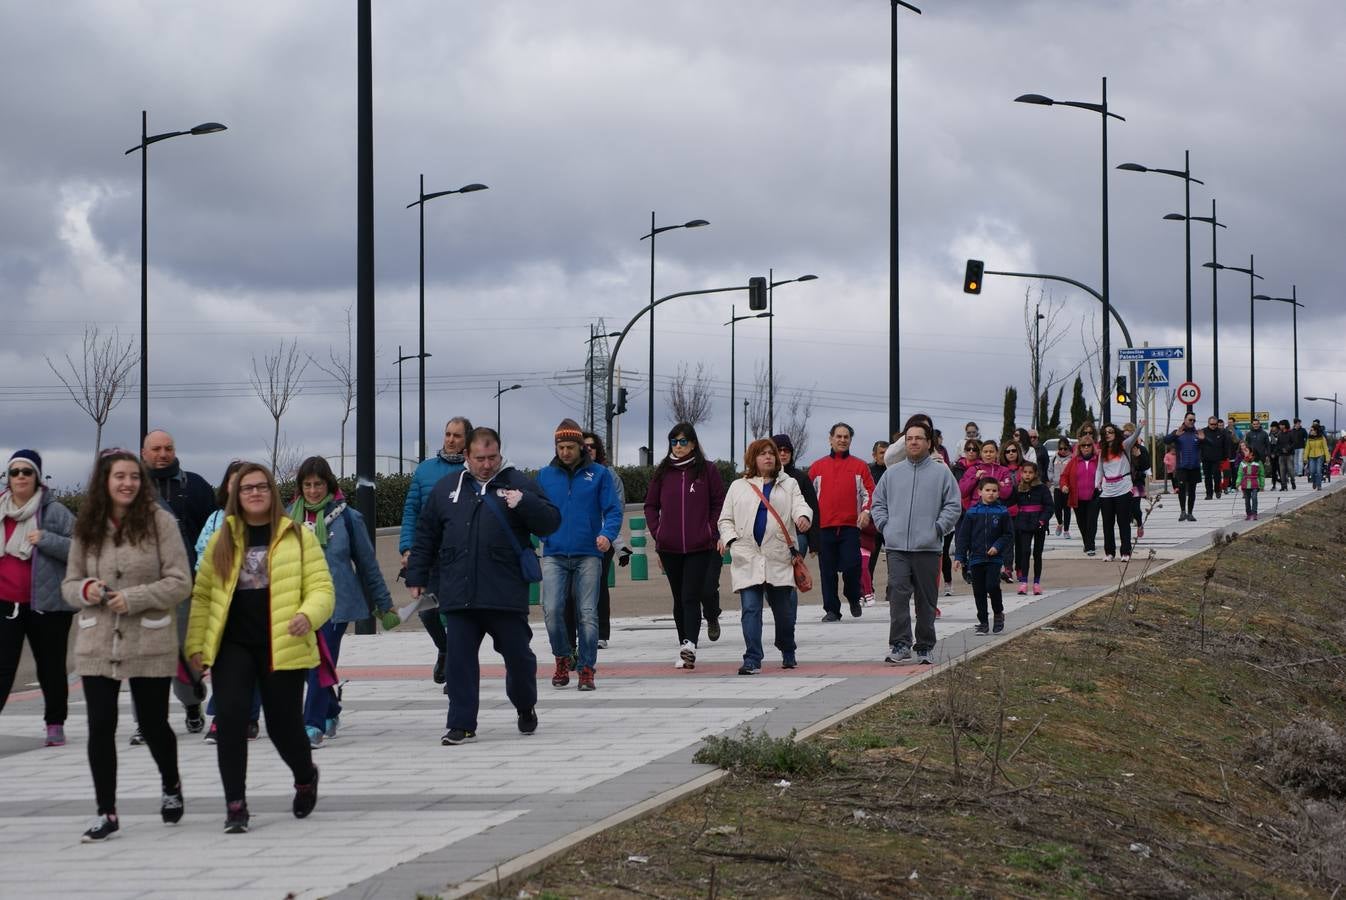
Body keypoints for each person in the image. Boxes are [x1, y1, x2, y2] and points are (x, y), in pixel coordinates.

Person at [187, 462, 333, 834]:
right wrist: (196, 646)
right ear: (236, 496)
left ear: (272, 493)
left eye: (261, 487)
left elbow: (322, 589)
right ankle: (235, 805)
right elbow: (203, 596)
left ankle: (304, 775)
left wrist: (307, 614)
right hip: (233, 646)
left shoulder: (298, 537)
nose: (254, 493)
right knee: (231, 720)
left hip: (281, 643)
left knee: (284, 727)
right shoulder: (222, 540)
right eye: (247, 488)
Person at [61, 450, 191, 842]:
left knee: (153, 724)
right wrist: (88, 588)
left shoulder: (161, 523)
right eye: (119, 476)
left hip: (148, 638)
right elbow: (68, 585)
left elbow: (181, 581)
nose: (127, 483)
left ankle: (171, 785)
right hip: (97, 640)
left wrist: (133, 598)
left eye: (134, 477)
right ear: (105, 481)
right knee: (100, 726)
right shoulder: (88, 525)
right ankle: (107, 812)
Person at [406, 427, 560, 745]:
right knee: (460, 661)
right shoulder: (448, 488)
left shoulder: (517, 482)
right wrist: (417, 576)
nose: (487, 465)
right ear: (467, 457)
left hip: (504, 593)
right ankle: (461, 723)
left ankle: (525, 704)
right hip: (459, 593)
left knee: (519, 658)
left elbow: (550, 522)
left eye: (492, 458)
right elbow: (426, 534)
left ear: (500, 454)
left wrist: (525, 503)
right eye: (480, 459)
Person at [290, 456, 395, 748]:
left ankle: (311, 725)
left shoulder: (348, 518)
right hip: (299, 605)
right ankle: (332, 709)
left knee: (319, 661)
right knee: (304, 665)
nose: (313, 491)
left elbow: (367, 565)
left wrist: (384, 604)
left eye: (319, 484)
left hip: (336, 605)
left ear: (329, 485)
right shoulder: (287, 519)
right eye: (307, 485)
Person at [140, 429, 216, 739]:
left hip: (186, 586)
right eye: (156, 449)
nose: (162, 454)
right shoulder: (130, 488)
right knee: (144, 656)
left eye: (168, 448)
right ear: (144, 453)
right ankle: (145, 721)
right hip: (143, 587)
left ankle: (191, 705)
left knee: (186, 653)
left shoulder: (195, 486)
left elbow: (211, 534)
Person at [537, 419, 622, 692]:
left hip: (588, 554)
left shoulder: (599, 474)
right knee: (551, 610)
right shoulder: (544, 476)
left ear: (580, 448)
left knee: (587, 613)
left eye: (570, 447)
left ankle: (586, 668)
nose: (565, 452)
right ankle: (563, 656)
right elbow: (534, 509)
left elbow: (613, 510)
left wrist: (606, 535)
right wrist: (542, 533)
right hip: (554, 553)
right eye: (560, 447)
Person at [870, 420, 961, 666]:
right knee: (898, 596)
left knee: (926, 599)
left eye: (919, 438)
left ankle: (924, 646)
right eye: (909, 438)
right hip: (897, 547)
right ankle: (900, 644)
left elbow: (953, 505)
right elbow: (877, 504)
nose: (913, 442)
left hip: (928, 548)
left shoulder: (942, 473)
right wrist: (886, 527)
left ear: (928, 443)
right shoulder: (892, 473)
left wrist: (938, 528)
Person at [717, 438, 811, 674]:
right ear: (753, 458)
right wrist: (730, 539)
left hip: (778, 555)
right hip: (747, 555)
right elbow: (725, 519)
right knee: (750, 608)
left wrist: (803, 517)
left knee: (784, 612)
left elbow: (801, 505)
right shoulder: (738, 486)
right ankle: (752, 658)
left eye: (772, 453)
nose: (769, 457)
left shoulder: (788, 484)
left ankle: (787, 648)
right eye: (763, 454)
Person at [0, 450, 75, 747]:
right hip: (6, 603)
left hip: (49, 605)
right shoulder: (1, 508)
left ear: (37, 477)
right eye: (15, 471)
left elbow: (83, 547)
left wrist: (47, 540)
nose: (20, 477)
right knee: (3, 667)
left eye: (26, 472)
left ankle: (55, 724)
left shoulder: (54, 512)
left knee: (51, 666)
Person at [398, 416, 473, 685]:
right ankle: (445, 649)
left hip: (461, 556)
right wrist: (407, 547)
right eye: (447, 434)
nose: (450, 440)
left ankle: (455, 669)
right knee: (427, 612)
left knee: (455, 614)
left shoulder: (473, 470)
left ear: (467, 441)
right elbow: (411, 511)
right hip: (429, 555)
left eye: (457, 436)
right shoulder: (425, 470)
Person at [645, 423, 727, 669]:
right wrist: (658, 532)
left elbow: (718, 503)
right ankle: (684, 642)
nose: (678, 446)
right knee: (679, 597)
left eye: (683, 442)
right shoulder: (663, 472)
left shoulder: (707, 470)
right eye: (674, 442)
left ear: (693, 443)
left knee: (691, 595)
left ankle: (690, 644)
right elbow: (650, 505)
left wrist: (710, 531)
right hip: (669, 547)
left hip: (699, 546)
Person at [193, 460, 262, 744]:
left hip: (254, 606)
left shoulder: (263, 521)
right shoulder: (214, 520)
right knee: (225, 664)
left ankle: (249, 717)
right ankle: (221, 718)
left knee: (255, 666)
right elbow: (201, 556)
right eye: (236, 484)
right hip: (222, 605)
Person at [808, 423, 876, 622]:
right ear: (830, 439)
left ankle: (854, 597)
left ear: (850, 440)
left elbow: (870, 492)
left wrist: (866, 512)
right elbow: (805, 496)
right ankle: (832, 609)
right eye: (838, 436)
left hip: (850, 527)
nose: (842, 440)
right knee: (827, 571)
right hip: (824, 528)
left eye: (846, 437)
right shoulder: (817, 467)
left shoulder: (860, 466)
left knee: (852, 567)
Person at [577, 432, 630, 650]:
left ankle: (601, 632)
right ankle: (581, 630)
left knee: (598, 585)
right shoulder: (573, 474)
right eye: (584, 446)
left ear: (598, 450)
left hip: (602, 539)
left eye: (592, 446)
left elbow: (616, 508)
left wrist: (612, 539)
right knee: (576, 588)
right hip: (578, 538)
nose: (588, 449)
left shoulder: (608, 474)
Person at [955, 477, 1014, 635]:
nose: (991, 493)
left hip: (994, 559)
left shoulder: (1002, 512)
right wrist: (959, 557)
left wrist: (997, 546)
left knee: (992, 586)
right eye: (987, 490)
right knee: (979, 590)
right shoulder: (972, 512)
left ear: (998, 493)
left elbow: (1008, 534)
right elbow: (963, 537)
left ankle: (998, 613)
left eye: (994, 491)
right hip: (976, 558)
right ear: (980, 492)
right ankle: (982, 621)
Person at [1096, 421, 1145, 562]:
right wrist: (1097, 485)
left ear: (1116, 433)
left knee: (1123, 522)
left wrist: (1140, 427)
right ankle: (1109, 552)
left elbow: (1133, 436)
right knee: (1107, 523)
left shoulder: (1124, 446)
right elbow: (1099, 470)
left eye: (1110, 432)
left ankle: (1125, 552)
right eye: (1105, 433)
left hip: (1123, 487)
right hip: (1107, 490)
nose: (1108, 435)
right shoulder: (1102, 452)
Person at [1010, 461, 1053, 595]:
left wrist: (1042, 520)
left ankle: (1036, 582)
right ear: (1021, 473)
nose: (1027, 475)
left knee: (1037, 553)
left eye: (1030, 472)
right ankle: (1023, 582)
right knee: (1024, 552)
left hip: (1038, 524)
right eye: (1025, 472)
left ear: (1035, 474)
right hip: (1023, 523)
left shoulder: (1042, 488)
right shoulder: (1018, 488)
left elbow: (1049, 506)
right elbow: (1010, 501)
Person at [774, 435, 819, 556]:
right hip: (771, 534)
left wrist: (814, 544)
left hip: (797, 534)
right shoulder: (763, 478)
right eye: (779, 450)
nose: (783, 453)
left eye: (787, 450)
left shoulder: (802, 478)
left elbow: (812, 508)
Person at [1059, 435, 1101, 556]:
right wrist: (1064, 486)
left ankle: (1090, 546)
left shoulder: (1098, 460)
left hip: (1094, 497)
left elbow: (1104, 473)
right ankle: (1086, 543)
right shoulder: (1074, 461)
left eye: (1088, 445)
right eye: (1083, 445)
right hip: (1077, 498)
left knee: (1091, 522)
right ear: (1079, 447)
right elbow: (1064, 476)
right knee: (1082, 523)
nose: (1086, 448)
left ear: (1092, 447)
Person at [858, 440, 889, 606]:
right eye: (881, 453)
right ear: (874, 455)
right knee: (869, 560)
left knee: (894, 559)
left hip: (891, 521)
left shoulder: (895, 470)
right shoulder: (868, 472)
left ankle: (892, 592)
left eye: (887, 452)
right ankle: (866, 591)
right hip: (872, 523)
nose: (884, 456)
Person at [1165, 412, 1202, 521]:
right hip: (1182, 467)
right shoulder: (1178, 432)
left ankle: (1190, 513)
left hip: (1194, 467)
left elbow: (1210, 445)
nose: (1192, 422)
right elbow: (1166, 440)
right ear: (1185, 420)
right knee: (1181, 489)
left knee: (1192, 491)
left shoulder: (1197, 433)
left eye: (1194, 420)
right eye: (1190, 420)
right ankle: (1182, 512)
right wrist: (1175, 435)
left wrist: (1203, 439)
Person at [1199, 416, 1232, 500]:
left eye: (1215, 424)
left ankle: (1218, 490)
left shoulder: (1222, 432)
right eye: (1211, 424)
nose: (1213, 426)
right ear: (1208, 423)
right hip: (1206, 458)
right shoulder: (1203, 431)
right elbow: (1199, 444)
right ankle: (1209, 494)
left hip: (1217, 458)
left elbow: (1226, 445)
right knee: (1207, 477)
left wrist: (1225, 456)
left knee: (1217, 476)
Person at [1048, 437, 1073, 538]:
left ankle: (1066, 530)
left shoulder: (1072, 459)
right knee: (1057, 508)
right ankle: (1060, 523)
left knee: (1067, 510)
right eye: (1060, 448)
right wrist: (1052, 479)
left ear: (1068, 448)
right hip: (1057, 487)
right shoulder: (1054, 458)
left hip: (1067, 488)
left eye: (1065, 449)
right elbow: (1050, 470)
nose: (1062, 451)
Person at [1235, 445, 1266, 520]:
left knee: (1254, 498)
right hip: (1245, 483)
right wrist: (1237, 483)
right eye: (1244, 451)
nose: (1244, 452)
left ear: (1251, 453)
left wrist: (1262, 485)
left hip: (1255, 482)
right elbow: (1240, 474)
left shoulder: (1258, 462)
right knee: (1247, 499)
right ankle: (1248, 514)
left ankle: (1254, 513)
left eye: (1246, 451)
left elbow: (1261, 474)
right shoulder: (1243, 462)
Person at [1304, 424, 1329, 490]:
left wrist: (1327, 458)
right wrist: (1305, 458)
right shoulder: (1309, 438)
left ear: (1316, 430)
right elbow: (1307, 448)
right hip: (1311, 456)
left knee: (1318, 471)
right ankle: (1314, 481)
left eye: (1312, 430)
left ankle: (1319, 485)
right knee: (1312, 471)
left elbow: (1325, 448)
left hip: (1320, 455)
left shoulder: (1322, 438)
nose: (1310, 431)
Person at [1276, 419, 1297, 491]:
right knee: (1282, 471)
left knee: (1290, 470)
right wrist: (1280, 450)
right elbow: (1278, 444)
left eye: (1281, 425)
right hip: (1281, 455)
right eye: (1280, 425)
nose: (1280, 426)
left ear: (1285, 425)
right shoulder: (1279, 434)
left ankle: (1293, 481)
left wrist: (1288, 449)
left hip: (1289, 454)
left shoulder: (1291, 433)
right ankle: (1284, 486)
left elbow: (1294, 443)